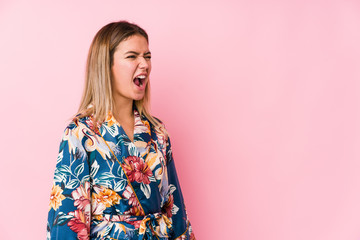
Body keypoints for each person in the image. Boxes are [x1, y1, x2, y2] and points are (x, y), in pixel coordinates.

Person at [47, 20, 195, 240]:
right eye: (132, 56)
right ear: (106, 66)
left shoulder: (158, 132)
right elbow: (68, 217)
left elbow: (175, 209)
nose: (144, 64)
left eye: (147, 56)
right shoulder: (81, 133)